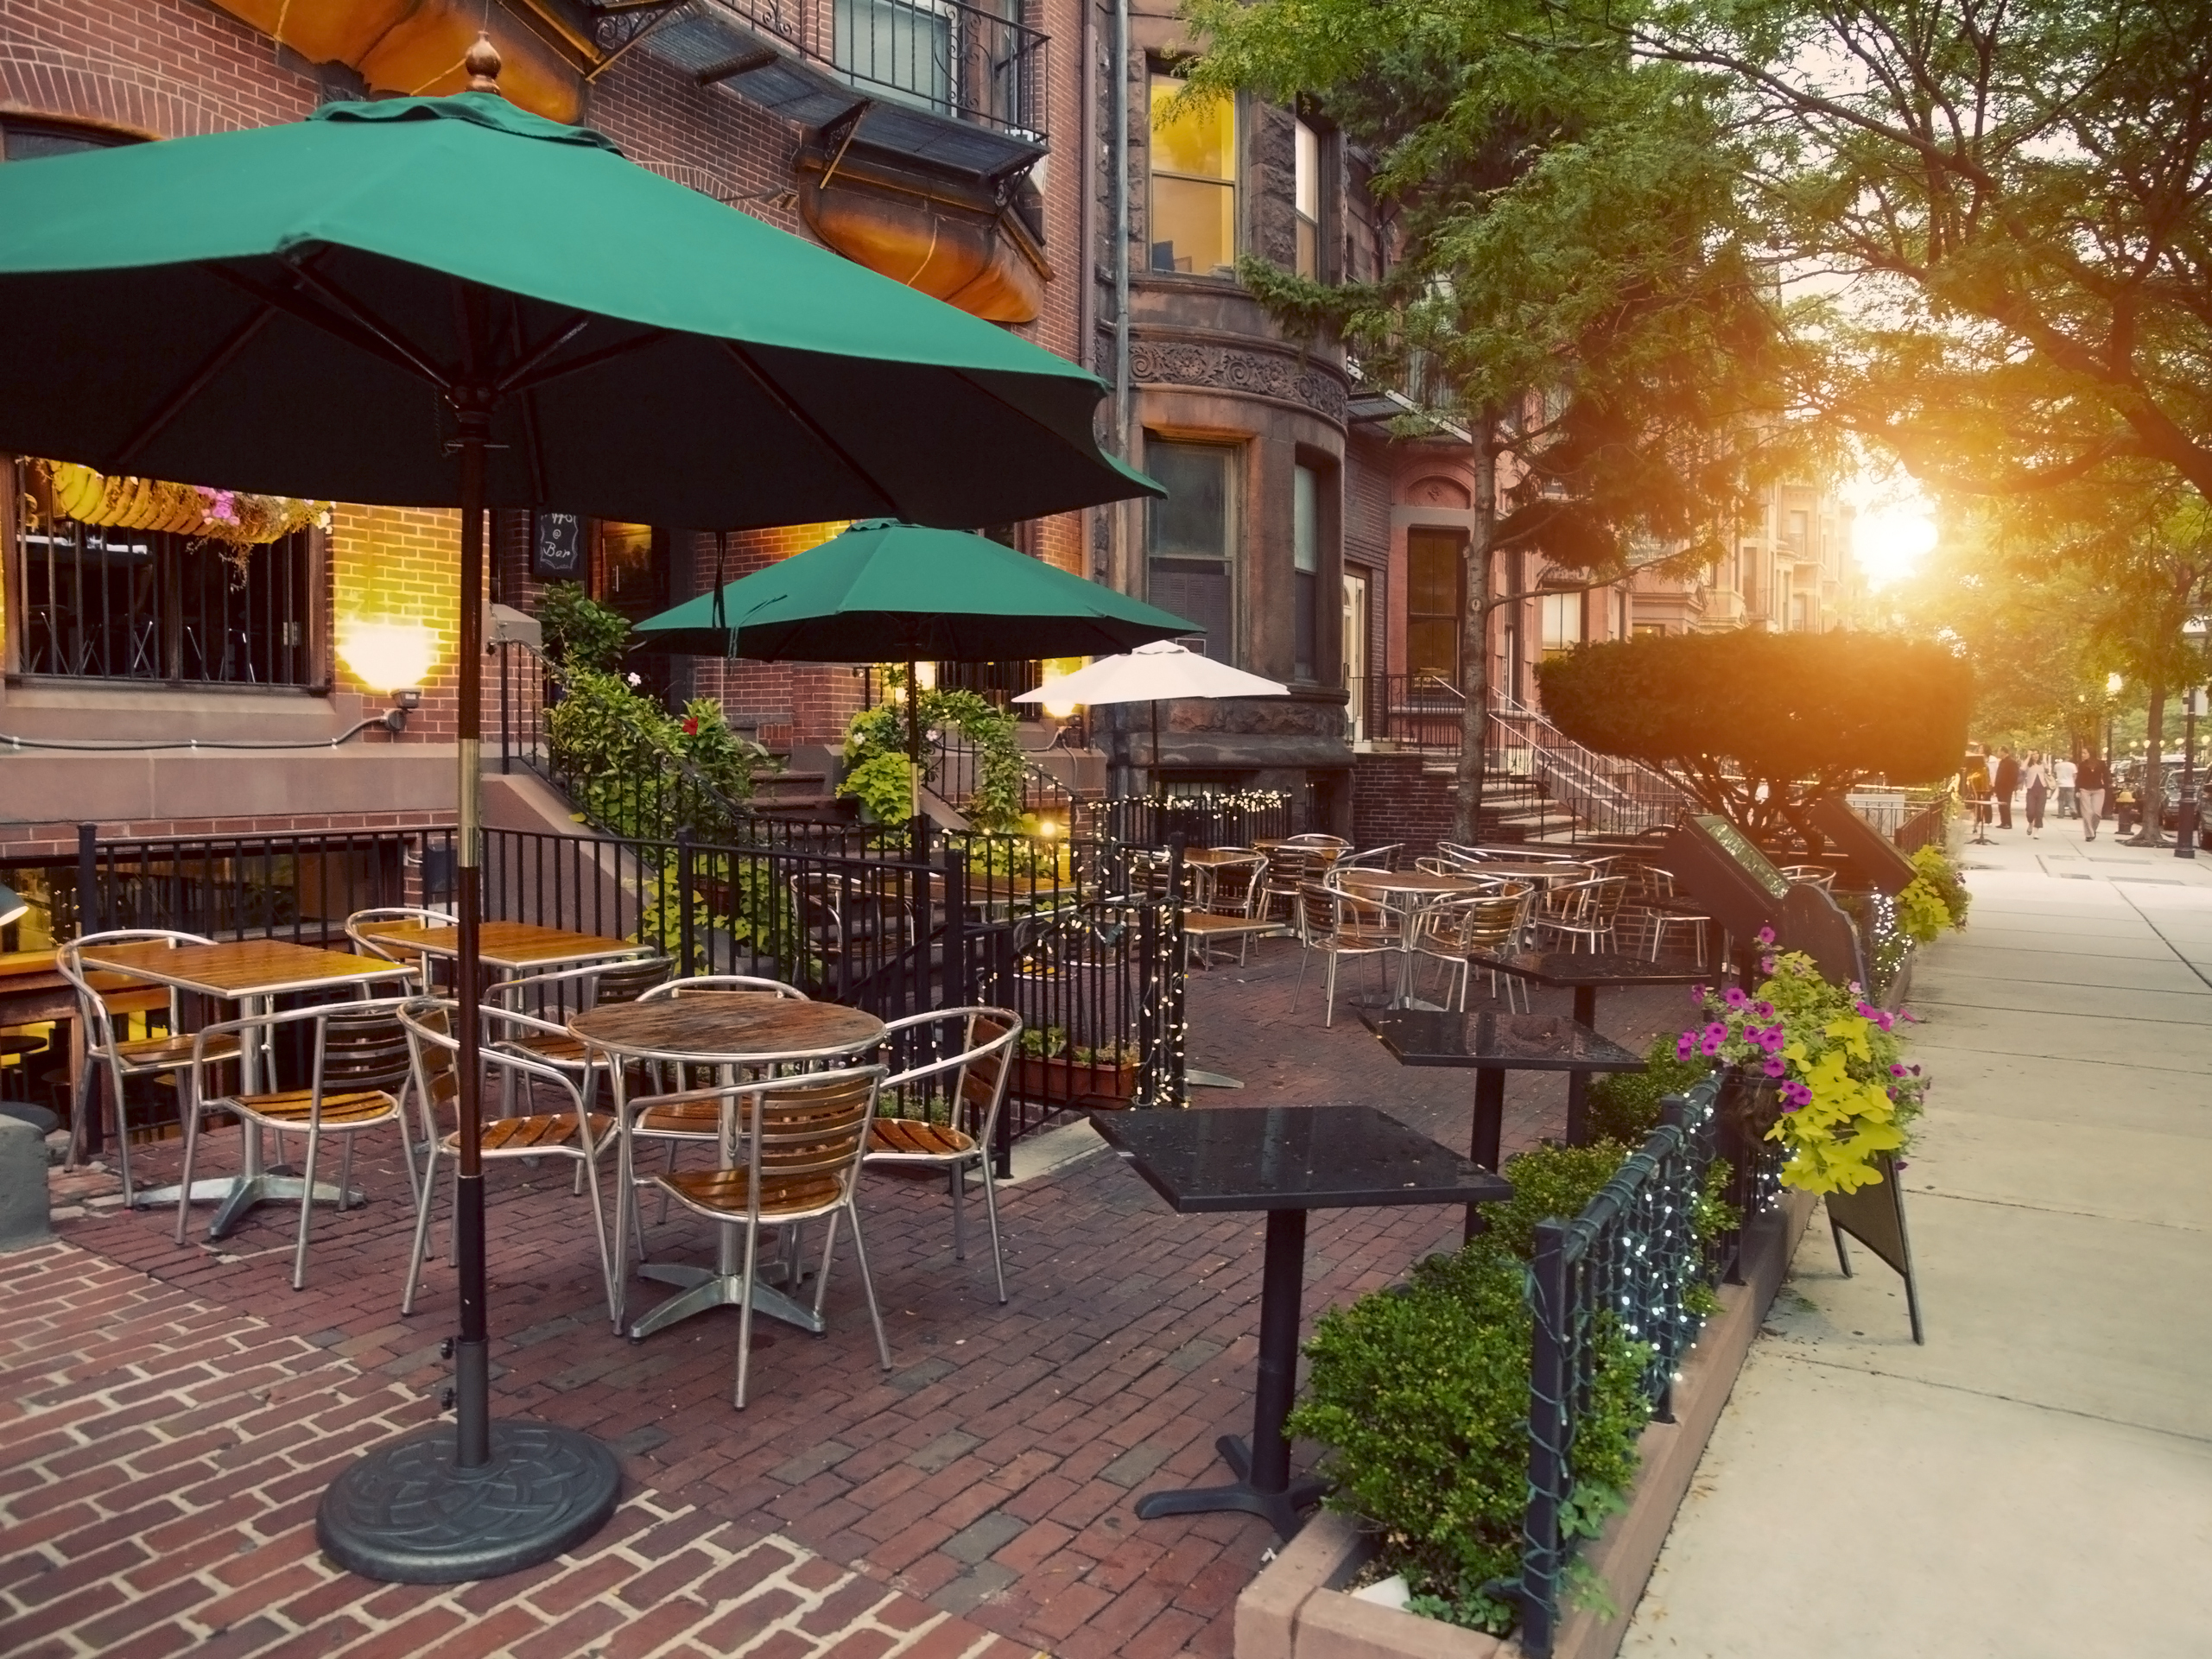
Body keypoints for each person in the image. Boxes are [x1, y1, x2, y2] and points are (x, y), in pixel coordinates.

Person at [2076, 750, 2110, 841]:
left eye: (2085, 753)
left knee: (2096, 812)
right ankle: (2089, 834)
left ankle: (2093, 829)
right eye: (2082, 753)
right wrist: (2077, 790)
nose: (2082, 755)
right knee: (2087, 813)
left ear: (2090, 754)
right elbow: (2079, 777)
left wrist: (2106, 788)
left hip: (2098, 790)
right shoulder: (2082, 765)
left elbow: (2106, 776)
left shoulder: (2101, 764)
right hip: (2085, 790)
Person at [2022, 750, 2050, 838]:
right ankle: (2030, 822)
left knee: (2039, 811)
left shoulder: (2042, 763)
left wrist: (2045, 759)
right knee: (2030, 810)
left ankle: (2036, 831)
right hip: (2031, 790)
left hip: (2042, 789)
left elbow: (2047, 769)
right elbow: (2022, 768)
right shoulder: (2028, 765)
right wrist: (2028, 756)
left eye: (2037, 753)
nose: (2035, 756)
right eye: (2033, 754)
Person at [1993, 746, 2021, 831]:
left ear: (2003, 752)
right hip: (1999, 786)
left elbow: (2014, 775)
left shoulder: (2011, 762)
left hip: (2007, 787)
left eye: (1999, 751)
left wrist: (2011, 786)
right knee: (2001, 804)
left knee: (2006, 804)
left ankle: (2008, 823)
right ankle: (2003, 822)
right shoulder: (2002, 762)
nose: (1998, 753)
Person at [2056, 752, 2078, 818]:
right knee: (2071, 799)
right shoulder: (2073, 765)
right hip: (2070, 784)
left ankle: (2061, 814)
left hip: (2061, 785)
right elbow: (2075, 775)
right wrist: (2073, 782)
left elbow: (2055, 773)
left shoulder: (2057, 765)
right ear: (2068, 758)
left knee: (2061, 800)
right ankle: (2073, 811)